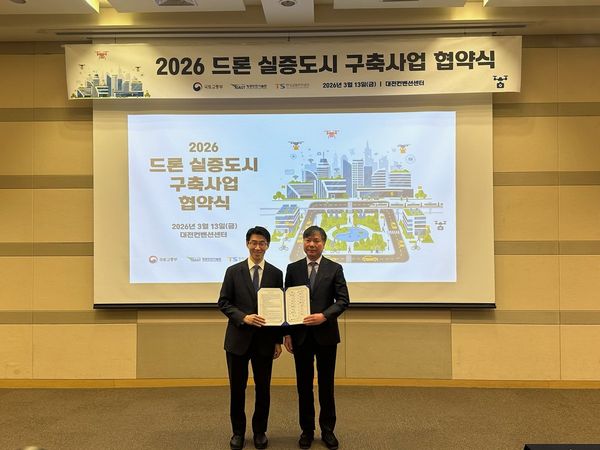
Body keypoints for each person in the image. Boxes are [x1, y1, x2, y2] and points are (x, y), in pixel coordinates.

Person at [283, 225, 350, 450]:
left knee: (326, 385)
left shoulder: (335, 268)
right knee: (303, 386)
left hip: (326, 335)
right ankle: (307, 430)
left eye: (316, 241)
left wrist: (324, 316)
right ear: (303, 243)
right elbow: (286, 302)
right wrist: (287, 333)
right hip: (300, 336)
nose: (311, 244)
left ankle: (328, 430)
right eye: (307, 240)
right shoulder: (293, 269)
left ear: (323, 243)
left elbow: (343, 300)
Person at [218, 226, 283, 450]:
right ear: (247, 244)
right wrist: (243, 317)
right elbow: (224, 302)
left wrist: (278, 340)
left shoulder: (276, 273)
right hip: (237, 340)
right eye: (254, 242)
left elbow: (279, 309)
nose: (257, 247)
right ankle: (238, 432)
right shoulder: (233, 271)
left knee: (263, 389)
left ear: (267, 245)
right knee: (237, 389)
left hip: (265, 341)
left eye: (262, 243)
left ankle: (259, 432)